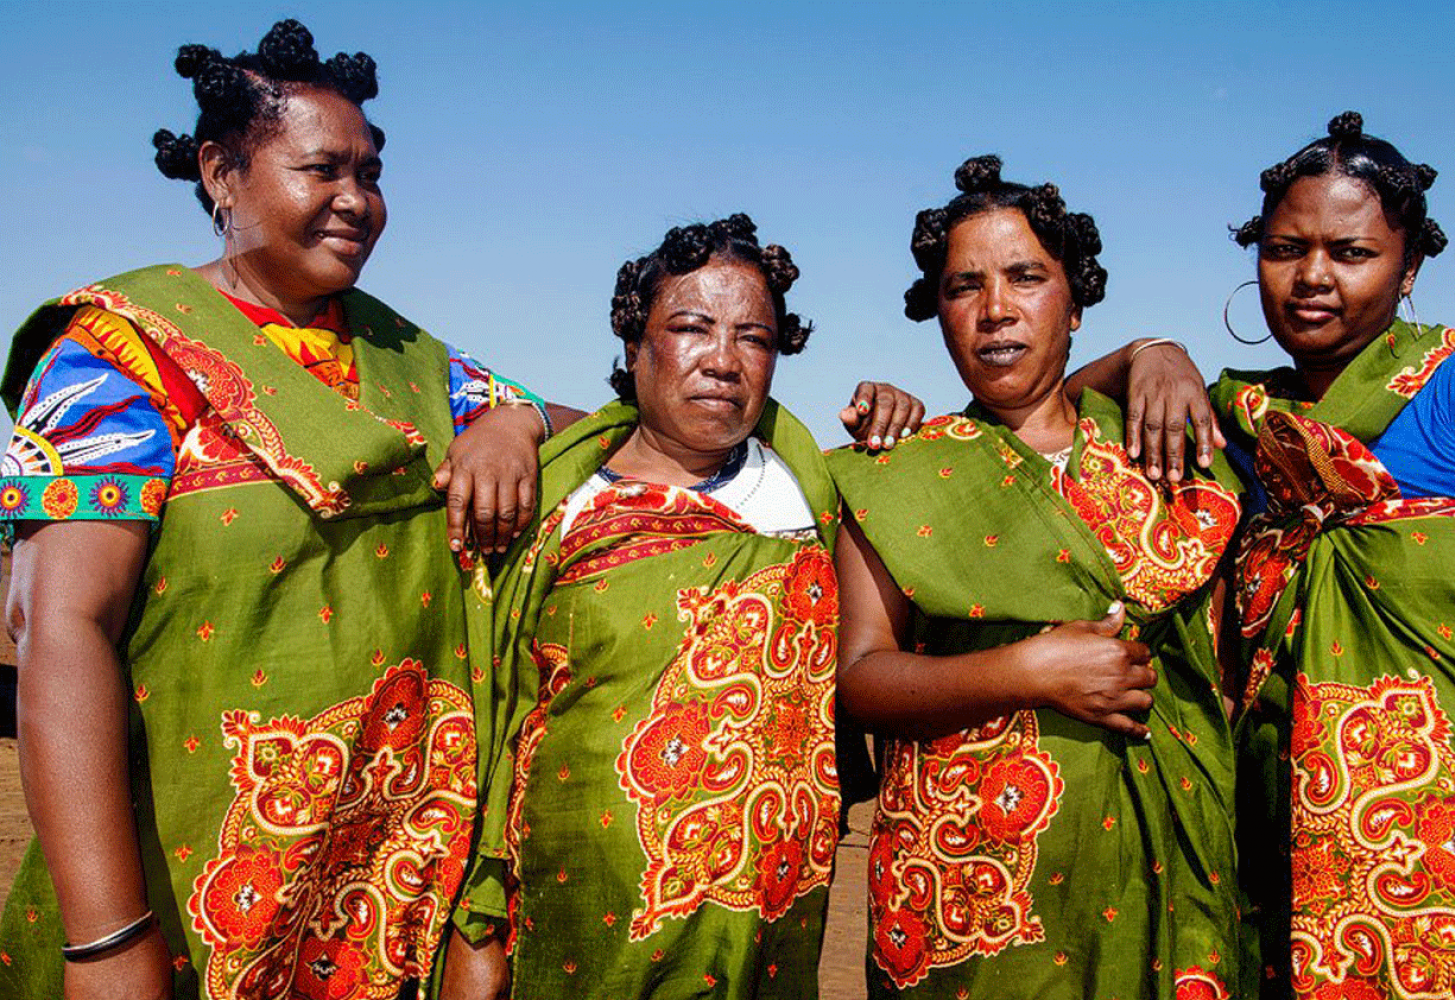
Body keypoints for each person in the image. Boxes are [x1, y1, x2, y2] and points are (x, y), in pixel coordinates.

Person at [0, 21, 563, 1000]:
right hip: (182, 892)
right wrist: (106, 941)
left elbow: (587, 429)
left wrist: (512, 421)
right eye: (323, 170)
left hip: (387, 902)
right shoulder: (126, 353)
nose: (358, 199)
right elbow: (60, 625)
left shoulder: (417, 364)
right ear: (222, 173)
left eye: (372, 172)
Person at [1091, 111, 1455, 999]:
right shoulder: (1233, 424)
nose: (1312, 278)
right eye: (1285, 249)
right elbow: (1045, 416)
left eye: (1351, 253)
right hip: (1297, 872)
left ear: (1410, 269)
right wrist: (1148, 349)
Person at [465, 214, 922, 1000]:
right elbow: (491, 716)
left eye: (754, 338)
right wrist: (479, 923)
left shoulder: (804, 485)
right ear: (634, 345)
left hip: (775, 918)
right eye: (689, 327)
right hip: (582, 903)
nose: (722, 361)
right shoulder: (557, 497)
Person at [827, 156, 1244, 1000]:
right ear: (936, 311)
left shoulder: (1162, 446)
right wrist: (1029, 671)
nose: (995, 310)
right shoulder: (894, 474)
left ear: (1076, 301)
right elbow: (861, 679)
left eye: (1027, 277)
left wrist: (1152, 351)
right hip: (969, 885)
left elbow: (1227, 665)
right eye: (962, 286)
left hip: (1169, 849)